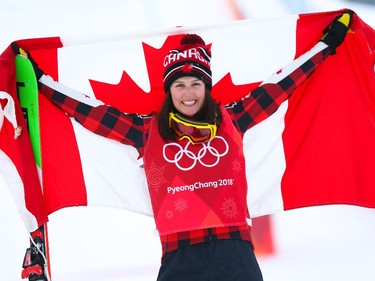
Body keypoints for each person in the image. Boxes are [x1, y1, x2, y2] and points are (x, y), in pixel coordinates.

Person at [17, 10, 352, 281]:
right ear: (169, 90)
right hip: (180, 261)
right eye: (179, 84)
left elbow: (282, 86)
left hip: (236, 258)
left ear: (206, 87)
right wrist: (41, 80)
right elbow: (91, 113)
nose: (188, 93)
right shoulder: (147, 132)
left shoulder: (233, 120)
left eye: (196, 84)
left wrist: (326, 45)